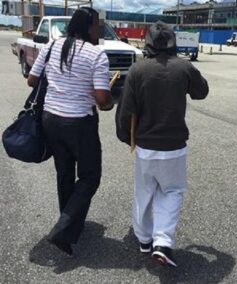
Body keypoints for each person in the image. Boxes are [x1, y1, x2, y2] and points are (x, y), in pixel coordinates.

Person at [116, 21, 209, 267]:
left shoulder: (138, 70)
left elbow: (126, 109)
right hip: (175, 146)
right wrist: (187, 73)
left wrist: (125, 136)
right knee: (172, 191)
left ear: (148, 43)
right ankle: (163, 241)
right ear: (173, 42)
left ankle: (144, 240)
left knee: (144, 193)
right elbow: (202, 92)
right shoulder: (184, 67)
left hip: (146, 146)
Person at [27, 7, 113, 255]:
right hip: (79, 123)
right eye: (98, 25)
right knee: (90, 177)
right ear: (89, 26)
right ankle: (63, 228)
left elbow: (32, 81)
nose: (99, 29)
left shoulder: (53, 46)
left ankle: (68, 226)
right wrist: (106, 102)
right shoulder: (96, 55)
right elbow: (102, 98)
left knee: (64, 173)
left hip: (50, 119)